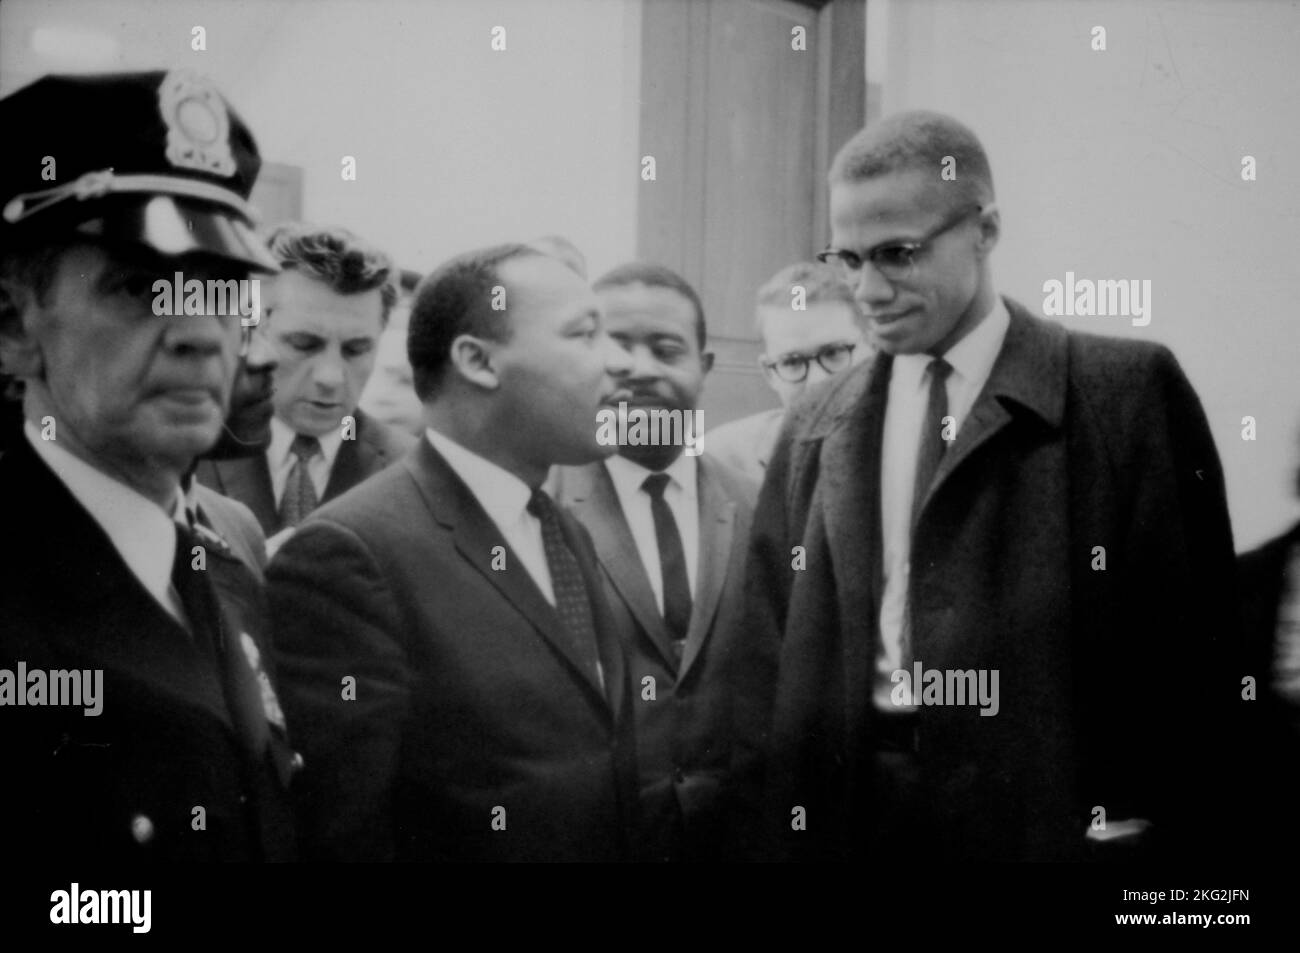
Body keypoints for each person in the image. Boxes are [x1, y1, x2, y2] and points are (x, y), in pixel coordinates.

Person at [735, 110, 1238, 862]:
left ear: (986, 230)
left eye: (898, 254)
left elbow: (1193, 657)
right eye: (848, 258)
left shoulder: (1123, 395)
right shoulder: (816, 422)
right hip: (859, 819)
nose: (868, 288)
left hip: (1051, 825)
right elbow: (765, 657)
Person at [0, 70, 299, 862]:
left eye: (225, 291)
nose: (201, 333)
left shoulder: (226, 558)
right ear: (14, 326)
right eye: (140, 286)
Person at [266, 243, 640, 861]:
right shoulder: (350, 555)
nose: (621, 363)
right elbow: (345, 836)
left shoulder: (559, 527)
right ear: (478, 361)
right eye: (585, 335)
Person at [549, 263, 758, 861]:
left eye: (666, 349)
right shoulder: (542, 504)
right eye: (617, 345)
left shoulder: (761, 504)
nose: (639, 368)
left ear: (705, 367)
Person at [195, 223, 413, 546]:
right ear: (252, 330)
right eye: (304, 344)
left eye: (356, 350)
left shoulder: (414, 474)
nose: (330, 377)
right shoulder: (189, 449)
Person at [707, 261, 869, 483]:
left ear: (874, 350)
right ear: (769, 373)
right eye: (792, 362)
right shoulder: (721, 459)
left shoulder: (910, 452)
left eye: (833, 353)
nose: (816, 381)